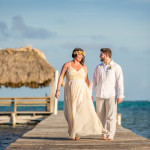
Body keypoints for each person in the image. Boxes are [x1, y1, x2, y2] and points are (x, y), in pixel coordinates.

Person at [55, 48, 104, 140]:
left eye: (82, 55)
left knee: (81, 111)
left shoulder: (84, 67)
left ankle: (77, 133)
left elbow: (86, 81)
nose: (81, 57)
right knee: (71, 112)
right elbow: (61, 77)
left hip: (83, 92)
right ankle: (73, 131)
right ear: (75, 54)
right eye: (80, 55)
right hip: (70, 91)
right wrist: (57, 90)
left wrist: (90, 93)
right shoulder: (67, 65)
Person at [89, 48, 124, 141]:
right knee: (100, 116)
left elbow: (120, 82)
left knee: (111, 116)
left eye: (101, 54)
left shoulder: (116, 67)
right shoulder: (98, 67)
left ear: (106, 55)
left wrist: (120, 95)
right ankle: (103, 133)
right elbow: (93, 81)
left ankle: (110, 135)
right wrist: (89, 93)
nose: (99, 56)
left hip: (111, 95)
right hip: (99, 95)